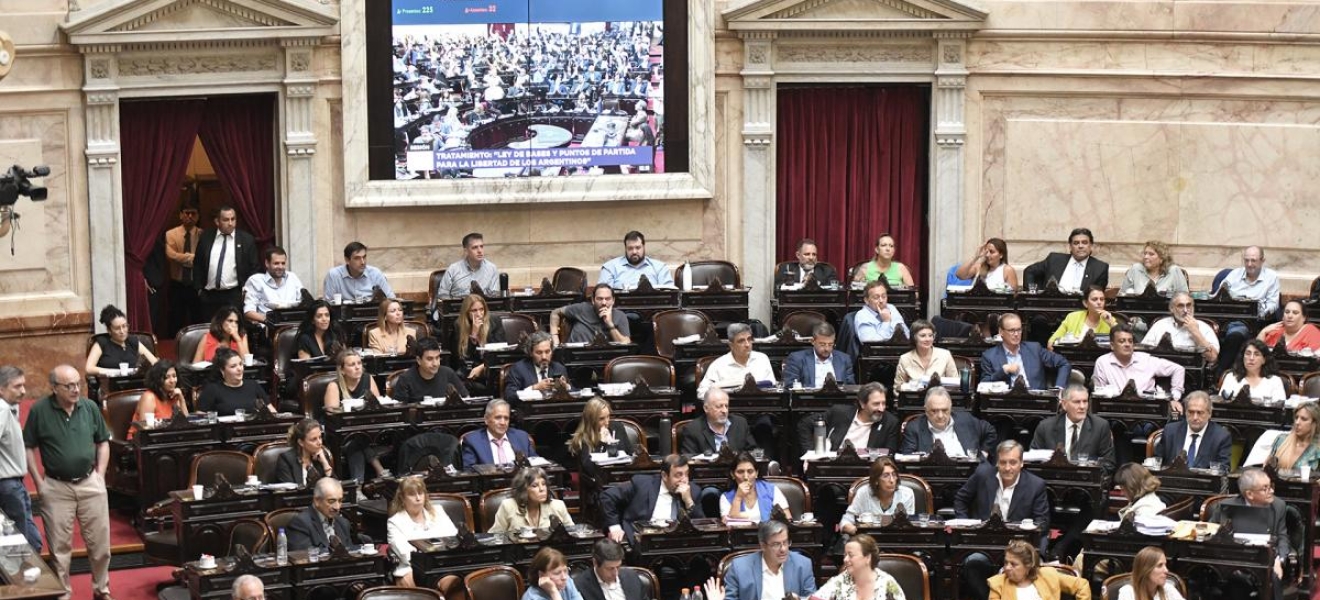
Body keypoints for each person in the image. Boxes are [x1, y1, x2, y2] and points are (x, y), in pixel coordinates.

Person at [23, 365, 113, 600]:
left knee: (100, 546)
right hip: (56, 486)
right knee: (59, 549)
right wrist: (38, 482)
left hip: (89, 482)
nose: (75, 389)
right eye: (69, 386)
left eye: (78, 384)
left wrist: (101, 476)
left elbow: (103, 441)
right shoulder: (39, 410)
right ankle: (63, 594)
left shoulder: (90, 406)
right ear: (54, 388)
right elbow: (28, 446)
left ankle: (101, 590)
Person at [956, 441, 1051, 600]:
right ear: (997, 462)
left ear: (1021, 463)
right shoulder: (982, 475)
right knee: (973, 563)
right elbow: (960, 499)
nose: (1007, 468)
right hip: (984, 543)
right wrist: (966, 523)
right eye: (1003, 462)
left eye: (1013, 462)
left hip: (1020, 546)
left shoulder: (1036, 485)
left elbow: (1043, 522)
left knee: (1025, 566)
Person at [601, 454, 706, 544]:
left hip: (676, 544)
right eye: (678, 475)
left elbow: (701, 525)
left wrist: (688, 501)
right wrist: (615, 527)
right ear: (664, 476)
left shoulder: (693, 491)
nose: (684, 480)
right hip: (642, 540)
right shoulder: (642, 484)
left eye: (686, 474)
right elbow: (607, 497)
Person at [1209, 468, 1287, 586]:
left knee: (1274, 577)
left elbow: (1282, 537)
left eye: (1271, 486)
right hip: (1231, 559)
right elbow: (1211, 532)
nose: (1271, 491)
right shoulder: (1225, 507)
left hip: (1265, 559)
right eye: (1265, 488)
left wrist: (1279, 560)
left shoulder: (1278, 506)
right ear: (1249, 494)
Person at [1091, 325, 1186, 411]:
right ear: (1112, 345)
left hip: (1147, 410)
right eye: (1122, 341)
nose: (1127, 344)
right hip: (1115, 409)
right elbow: (1099, 392)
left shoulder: (1146, 360)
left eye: (1130, 341)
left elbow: (1178, 369)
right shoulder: (1103, 362)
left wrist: (1175, 397)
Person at [1218, 245, 1281, 371]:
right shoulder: (1234, 274)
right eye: (1246, 260)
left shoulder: (1271, 277)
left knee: (1235, 335)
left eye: (1253, 260)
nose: (1249, 264)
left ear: (1262, 261)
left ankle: (1220, 374)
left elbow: (1273, 305)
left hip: (1253, 321)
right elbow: (1219, 295)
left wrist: (1256, 312)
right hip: (1228, 317)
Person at [387, 475, 457, 586]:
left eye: (420, 493)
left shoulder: (438, 511)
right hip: (413, 567)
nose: (418, 498)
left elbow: (453, 536)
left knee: (454, 581)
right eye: (412, 494)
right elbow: (404, 553)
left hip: (444, 563)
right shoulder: (395, 521)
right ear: (402, 498)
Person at [193, 205, 260, 320]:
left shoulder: (246, 239)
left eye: (233, 219)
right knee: (210, 332)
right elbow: (197, 264)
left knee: (232, 331)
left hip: (233, 295)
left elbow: (254, 267)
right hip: (209, 296)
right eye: (226, 220)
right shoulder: (206, 237)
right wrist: (199, 289)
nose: (230, 223)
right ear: (217, 221)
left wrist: (245, 292)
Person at [1029, 384, 1116, 472]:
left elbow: (1109, 464)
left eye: (1085, 401)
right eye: (1077, 402)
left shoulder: (1100, 426)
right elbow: (1033, 461)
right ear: (1064, 404)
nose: (1082, 407)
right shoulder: (1045, 427)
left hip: (1086, 481)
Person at [724, 520, 817, 600]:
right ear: (763, 545)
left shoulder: (803, 564)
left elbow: (811, 597)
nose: (783, 549)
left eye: (785, 542)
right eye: (776, 544)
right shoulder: (739, 567)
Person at [0, 366, 40, 551]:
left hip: (14, 484)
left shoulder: (8, 407)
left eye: (23, 385)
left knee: (32, 543)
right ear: (1, 388)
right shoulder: (1, 409)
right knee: (22, 548)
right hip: (8, 485)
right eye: (17, 386)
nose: (23, 391)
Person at [980, 313, 1071, 390]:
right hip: (1006, 403)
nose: (1016, 334)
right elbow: (983, 385)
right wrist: (1003, 371)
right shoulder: (989, 356)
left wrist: (1059, 388)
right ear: (1001, 332)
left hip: (1036, 402)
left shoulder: (1034, 349)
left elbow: (1063, 363)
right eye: (1012, 330)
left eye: (1019, 330)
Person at [901, 387, 996, 459]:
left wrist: (983, 453)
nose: (940, 415)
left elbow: (990, 432)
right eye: (934, 411)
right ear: (926, 410)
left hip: (969, 476)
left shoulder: (965, 419)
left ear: (951, 408)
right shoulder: (914, 428)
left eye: (945, 410)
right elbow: (907, 459)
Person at [807, 382, 901, 453]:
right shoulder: (839, 413)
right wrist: (810, 451)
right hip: (833, 466)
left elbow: (889, 452)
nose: (881, 409)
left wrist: (859, 453)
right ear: (862, 404)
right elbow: (804, 424)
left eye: (883, 403)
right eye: (876, 404)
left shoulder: (890, 422)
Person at [810, 533, 906, 600]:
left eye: (851, 555)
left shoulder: (887, 583)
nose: (845, 559)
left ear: (868, 558)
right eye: (845, 555)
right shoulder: (840, 581)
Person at [986, 539, 1091, 600]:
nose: (1007, 567)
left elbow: (1082, 585)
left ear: (1028, 565)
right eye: (1006, 562)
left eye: (1013, 564)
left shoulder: (1048, 575)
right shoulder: (998, 584)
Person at [1153, 391, 1232, 470]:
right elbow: (1157, 461)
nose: (1195, 417)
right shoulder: (1170, 431)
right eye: (1191, 412)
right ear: (1185, 412)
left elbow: (1224, 468)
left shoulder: (1221, 437)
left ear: (1209, 413)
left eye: (1200, 413)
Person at [696, 323, 776, 396]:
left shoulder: (762, 359)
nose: (747, 344)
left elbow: (773, 387)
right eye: (741, 341)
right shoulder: (718, 365)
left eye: (749, 339)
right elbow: (702, 393)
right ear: (731, 345)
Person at [840, 457, 916, 533]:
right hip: (868, 539)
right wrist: (850, 528)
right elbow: (846, 520)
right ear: (876, 480)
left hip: (897, 538)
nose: (892, 480)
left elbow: (908, 525)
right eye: (886, 476)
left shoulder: (906, 494)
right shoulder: (863, 493)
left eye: (894, 475)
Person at [1140, 292, 1219, 364]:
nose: (1185, 310)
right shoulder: (1160, 325)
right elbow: (1143, 353)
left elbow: (1213, 358)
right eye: (1180, 306)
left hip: (1191, 373)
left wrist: (1196, 333)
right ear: (1172, 309)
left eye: (1188, 305)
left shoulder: (1204, 328)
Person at [1021, 227, 1109, 292]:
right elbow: (1029, 271)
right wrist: (1033, 295)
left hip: (1080, 310)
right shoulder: (1054, 259)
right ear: (1070, 247)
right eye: (1076, 243)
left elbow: (1097, 296)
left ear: (1091, 246)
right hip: (1051, 307)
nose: (1080, 246)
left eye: (1085, 243)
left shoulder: (1100, 268)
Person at [489, 466, 573, 532]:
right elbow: (496, 537)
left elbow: (572, 532)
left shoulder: (558, 506)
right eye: (535, 485)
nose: (542, 489)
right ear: (523, 490)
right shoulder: (508, 506)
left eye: (544, 484)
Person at [461, 399, 537, 468]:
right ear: (486, 419)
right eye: (498, 418)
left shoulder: (522, 437)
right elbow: (469, 472)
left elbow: (536, 465)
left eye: (506, 418)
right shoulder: (472, 441)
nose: (503, 423)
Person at [452, 294, 504, 394]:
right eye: (474, 311)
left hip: (492, 367)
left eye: (481, 309)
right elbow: (462, 357)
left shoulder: (495, 321)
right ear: (467, 313)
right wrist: (474, 334)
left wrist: (482, 367)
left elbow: (499, 351)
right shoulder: (459, 325)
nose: (479, 314)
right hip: (470, 368)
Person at [86, 305, 159, 376]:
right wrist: (115, 372)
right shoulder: (102, 343)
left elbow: (154, 362)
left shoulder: (132, 341)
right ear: (109, 330)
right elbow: (89, 368)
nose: (122, 331)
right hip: (109, 384)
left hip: (134, 383)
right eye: (117, 328)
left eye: (124, 326)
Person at [392, 337, 470, 402]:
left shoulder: (448, 373)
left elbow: (466, 399)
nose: (435, 363)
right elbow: (400, 410)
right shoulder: (405, 379)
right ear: (419, 360)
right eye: (429, 359)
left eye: (437, 358)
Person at [720, 452, 790, 522]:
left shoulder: (772, 490)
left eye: (750, 471)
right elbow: (728, 525)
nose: (746, 477)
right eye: (740, 472)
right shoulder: (726, 497)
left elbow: (787, 519)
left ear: (756, 473)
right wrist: (738, 497)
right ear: (732, 474)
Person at [288, 477, 354, 552]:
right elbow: (303, 556)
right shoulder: (300, 524)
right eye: (331, 501)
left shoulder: (343, 523)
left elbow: (350, 553)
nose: (337, 507)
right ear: (317, 501)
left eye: (340, 501)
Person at [550, 284, 631, 344]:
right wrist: (555, 339)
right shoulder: (581, 309)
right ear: (593, 300)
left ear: (613, 300)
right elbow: (555, 313)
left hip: (606, 359)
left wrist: (610, 325)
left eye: (608, 299)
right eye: (600, 299)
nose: (604, 303)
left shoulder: (620, 316)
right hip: (576, 357)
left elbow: (625, 344)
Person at [197, 348, 269, 416]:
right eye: (233, 366)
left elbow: (271, 411)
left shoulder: (253, 385)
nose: (239, 369)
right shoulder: (212, 389)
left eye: (240, 364)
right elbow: (200, 417)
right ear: (222, 371)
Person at [573, 539, 652, 600]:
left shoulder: (631, 577)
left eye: (618, 567)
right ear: (595, 563)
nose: (615, 573)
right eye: (610, 568)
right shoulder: (580, 586)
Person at [504, 332, 570, 405]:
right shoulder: (519, 369)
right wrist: (534, 388)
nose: (544, 357)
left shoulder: (559, 368)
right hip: (530, 412)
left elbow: (575, 392)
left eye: (547, 352)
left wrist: (566, 387)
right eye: (539, 352)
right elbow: (509, 396)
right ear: (531, 353)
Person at [242, 246, 304, 323]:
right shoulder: (256, 281)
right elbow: (248, 312)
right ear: (267, 263)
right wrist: (269, 321)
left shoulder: (292, 277)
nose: (280, 267)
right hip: (268, 327)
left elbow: (304, 302)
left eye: (283, 263)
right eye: (276, 263)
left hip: (293, 325)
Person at [680, 388, 752, 455]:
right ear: (706, 408)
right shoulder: (693, 429)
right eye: (719, 406)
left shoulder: (740, 423)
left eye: (726, 406)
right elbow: (689, 459)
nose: (724, 410)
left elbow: (753, 451)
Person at [783, 322, 855, 388]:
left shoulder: (844, 359)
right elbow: (790, 386)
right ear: (813, 341)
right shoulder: (797, 359)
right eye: (822, 344)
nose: (827, 349)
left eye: (830, 344)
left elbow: (850, 387)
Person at [165, 203, 202, 330]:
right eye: (187, 213)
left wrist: (182, 257)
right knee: (175, 318)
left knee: (197, 318)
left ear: (198, 216)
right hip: (177, 284)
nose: (190, 216)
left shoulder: (203, 235)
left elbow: (203, 259)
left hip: (196, 285)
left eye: (193, 213)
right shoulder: (171, 234)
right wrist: (191, 257)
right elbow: (171, 255)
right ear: (181, 215)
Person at [1046, 286, 1118, 350]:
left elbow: (1122, 341)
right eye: (1095, 299)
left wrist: (1111, 323)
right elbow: (1051, 341)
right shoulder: (1072, 317)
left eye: (1102, 299)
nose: (1099, 302)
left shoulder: (1109, 319)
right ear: (1085, 303)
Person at [130, 360, 187, 439]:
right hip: (139, 441)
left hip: (165, 438)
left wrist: (182, 400)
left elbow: (186, 424)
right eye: (167, 377)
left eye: (174, 376)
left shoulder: (174, 395)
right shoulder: (149, 397)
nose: (172, 381)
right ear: (157, 379)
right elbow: (145, 431)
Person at [599, 231, 674, 289]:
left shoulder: (660, 268)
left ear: (644, 247)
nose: (634, 252)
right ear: (625, 248)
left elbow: (669, 293)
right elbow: (603, 294)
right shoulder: (610, 267)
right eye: (630, 248)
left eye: (638, 248)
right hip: (621, 308)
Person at [323, 241, 395, 301]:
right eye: (357, 258)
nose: (362, 262)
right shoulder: (334, 275)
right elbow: (328, 304)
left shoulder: (375, 274)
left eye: (364, 257)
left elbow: (391, 300)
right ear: (347, 260)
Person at [435, 232, 500, 299]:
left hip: (483, 307)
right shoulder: (453, 269)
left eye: (481, 246)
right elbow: (442, 295)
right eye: (475, 247)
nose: (480, 251)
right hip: (459, 307)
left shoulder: (492, 269)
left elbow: (494, 296)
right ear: (466, 251)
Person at [893, 319, 957, 387]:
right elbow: (897, 388)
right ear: (914, 337)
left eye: (930, 335)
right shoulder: (905, 358)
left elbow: (956, 383)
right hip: (915, 397)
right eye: (923, 336)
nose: (928, 339)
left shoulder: (945, 355)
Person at [566, 397, 635, 459]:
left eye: (608, 416)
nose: (607, 422)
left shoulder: (618, 427)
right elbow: (590, 468)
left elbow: (631, 454)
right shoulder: (583, 439)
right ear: (591, 420)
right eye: (601, 419)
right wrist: (601, 443)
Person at [1219, 339, 1287, 402]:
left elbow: (1279, 409)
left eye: (1256, 354)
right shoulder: (1231, 377)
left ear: (1264, 360)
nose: (1251, 358)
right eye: (1248, 354)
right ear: (1242, 357)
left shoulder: (1275, 381)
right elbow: (1221, 403)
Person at [273, 418, 335, 486]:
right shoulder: (286, 459)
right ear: (301, 442)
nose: (319, 442)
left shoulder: (323, 455)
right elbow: (289, 492)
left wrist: (325, 464)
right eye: (313, 439)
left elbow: (336, 488)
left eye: (320, 437)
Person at [1120, 241, 1188, 296]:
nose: (1146, 256)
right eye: (1145, 253)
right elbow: (1122, 294)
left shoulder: (1173, 271)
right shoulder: (1136, 269)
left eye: (1151, 254)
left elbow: (1185, 297)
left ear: (1162, 258)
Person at [1116, 546, 1185, 600]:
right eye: (1159, 565)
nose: (1166, 570)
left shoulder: (1168, 588)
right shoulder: (1127, 592)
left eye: (1165, 565)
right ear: (1145, 570)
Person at [1269, 401, 1320, 470]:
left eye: (1303, 419)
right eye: (1296, 417)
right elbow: (1268, 470)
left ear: (1314, 423)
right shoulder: (1281, 440)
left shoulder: (1317, 448)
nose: (1297, 422)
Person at [775, 238, 839, 288]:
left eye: (814, 254)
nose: (811, 258)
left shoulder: (827, 271)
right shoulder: (785, 269)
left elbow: (834, 291)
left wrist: (814, 283)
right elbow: (777, 290)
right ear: (798, 255)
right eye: (807, 254)